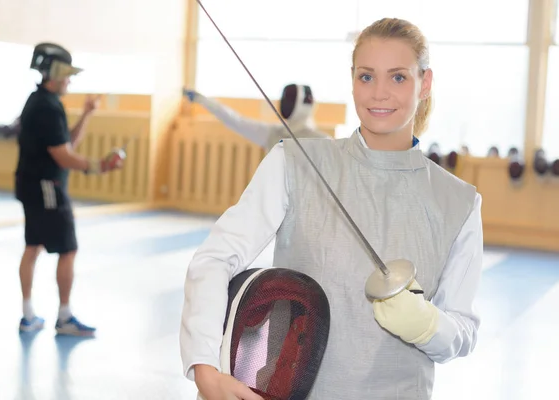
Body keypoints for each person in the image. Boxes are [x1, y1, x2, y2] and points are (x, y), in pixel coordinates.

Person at [180, 17, 483, 399]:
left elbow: (464, 330)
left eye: (398, 77)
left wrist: (428, 326)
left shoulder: (460, 201)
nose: (379, 94)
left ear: (425, 83)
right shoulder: (295, 161)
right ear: (352, 79)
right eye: (367, 77)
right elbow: (215, 257)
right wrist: (204, 367)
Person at [15, 43, 124, 336]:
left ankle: (28, 317)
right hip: (47, 188)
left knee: (33, 246)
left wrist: (87, 114)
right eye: (67, 75)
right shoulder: (48, 107)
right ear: (56, 74)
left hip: (31, 185)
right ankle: (64, 318)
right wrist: (100, 166)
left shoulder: (39, 101)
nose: (70, 81)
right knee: (68, 249)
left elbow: (66, 144)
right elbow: (63, 156)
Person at [182, 84, 331, 152]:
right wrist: (202, 100)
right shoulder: (275, 134)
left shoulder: (322, 141)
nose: (285, 104)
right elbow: (236, 121)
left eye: (290, 100)